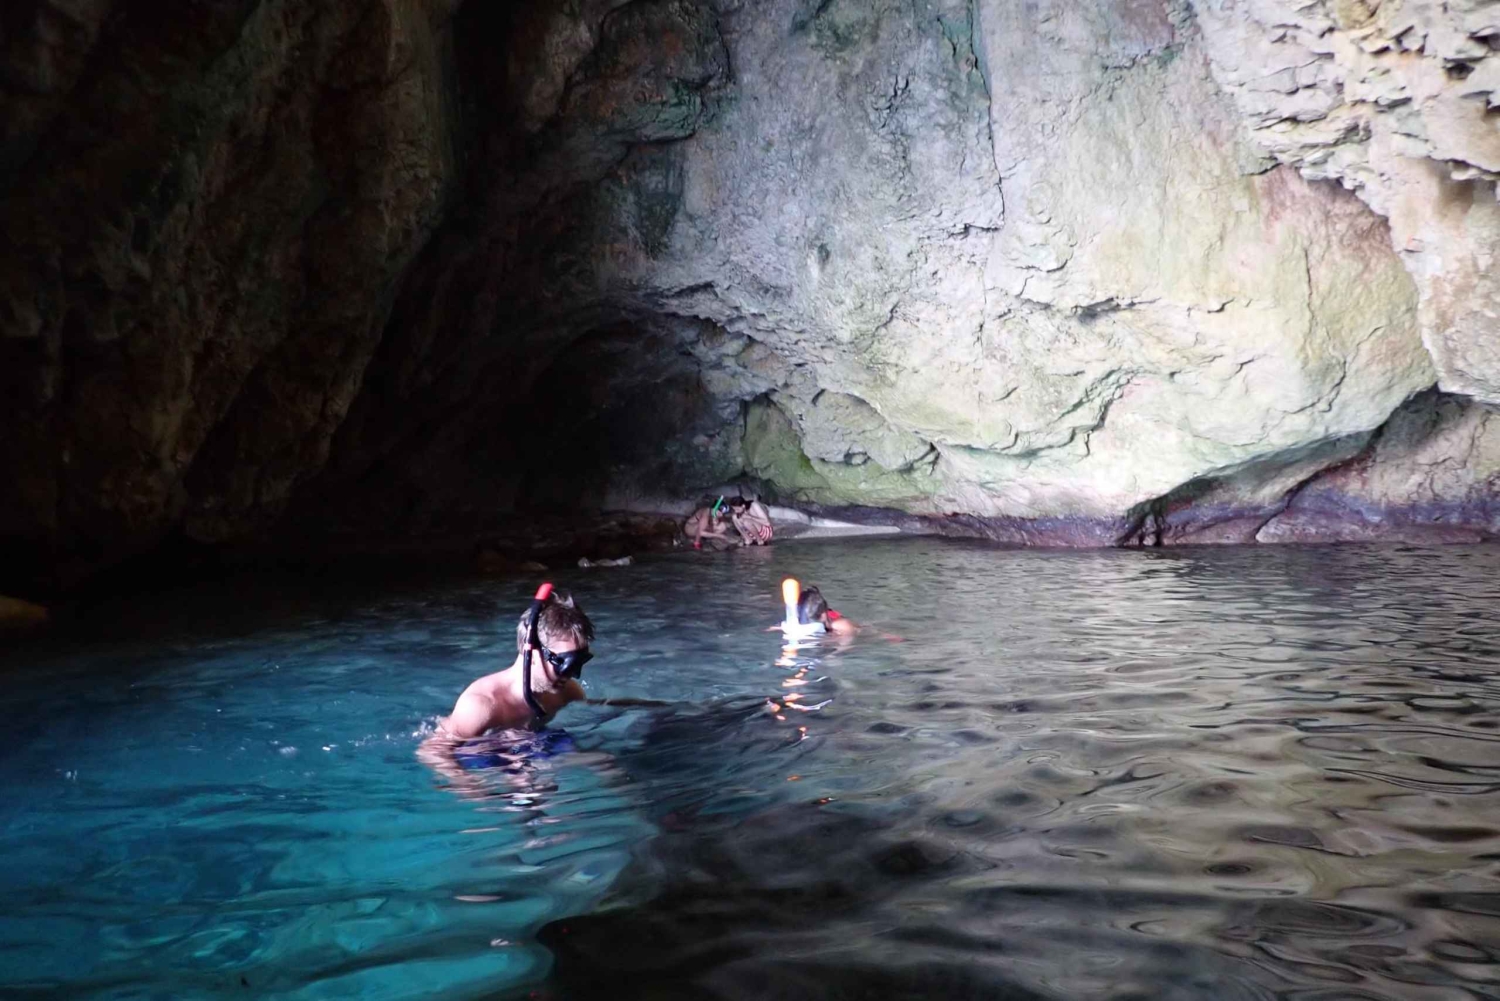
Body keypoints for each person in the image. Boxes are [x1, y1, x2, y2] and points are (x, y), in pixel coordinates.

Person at [437, 586, 595, 737]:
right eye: (566, 664)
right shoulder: (480, 706)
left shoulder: (567, 692)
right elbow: (434, 751)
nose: (574, 674)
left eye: (580, 662)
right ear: (532, 654)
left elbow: (593, 711)